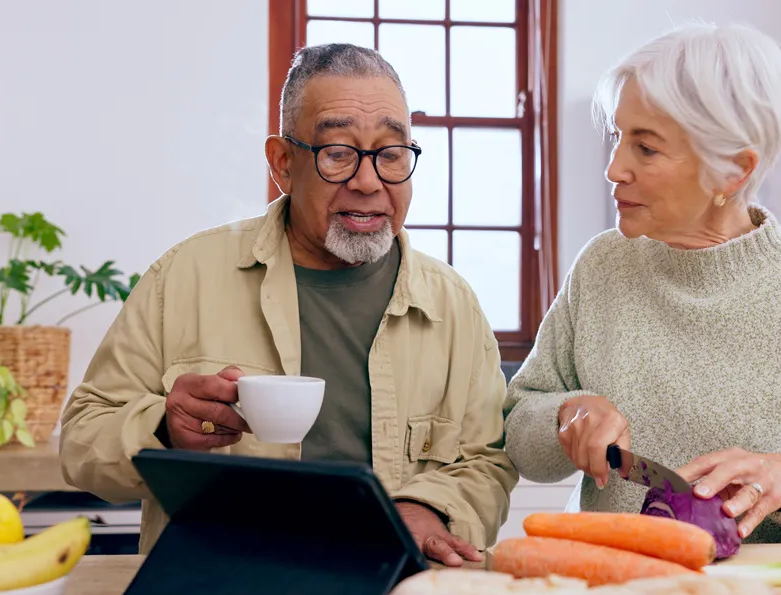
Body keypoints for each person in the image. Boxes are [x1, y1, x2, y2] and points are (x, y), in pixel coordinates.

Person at [60, 43, 518, 563]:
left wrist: (428, 509)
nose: (368, 182)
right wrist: (164, 427)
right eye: (338, 153)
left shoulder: (453, 305)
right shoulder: (186, 275)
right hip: (219, 594)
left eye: (391, 154)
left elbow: (489, 460)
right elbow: (81, 441)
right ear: (282, 162)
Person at [503, 21, 781, 543]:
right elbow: (520, 427)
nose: (614, 168)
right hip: (614, 586)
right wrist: (566, 415)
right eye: (617, 136)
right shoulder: (603, 265)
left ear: (733, 172)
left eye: (646, 148)